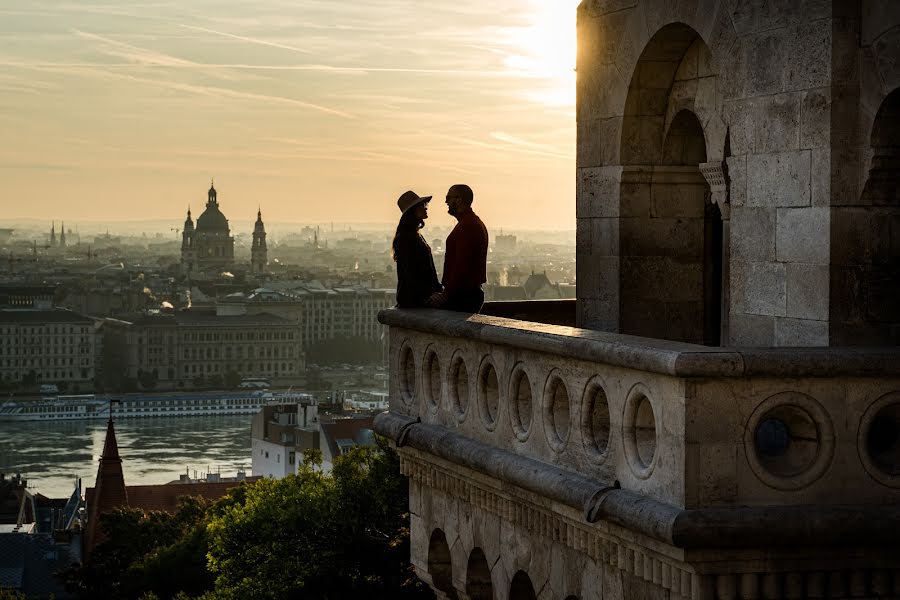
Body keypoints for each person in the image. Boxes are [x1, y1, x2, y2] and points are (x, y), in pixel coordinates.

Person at [430, 184, 489, 313]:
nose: (446, 201)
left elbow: (462, 265)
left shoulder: (467, 226)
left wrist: (446, 295)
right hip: (466, 294)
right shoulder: (472, 223)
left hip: (462, 296)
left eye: (448, 197)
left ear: (459, 199)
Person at [392, 190, 442, 308]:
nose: (425, 207)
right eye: (421, 205)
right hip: (415, 298)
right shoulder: (407, 237)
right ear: (412, 211)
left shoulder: (413, 235)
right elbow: (411, 272)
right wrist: (429, 293)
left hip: (417, 297)